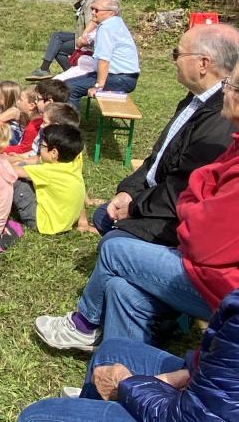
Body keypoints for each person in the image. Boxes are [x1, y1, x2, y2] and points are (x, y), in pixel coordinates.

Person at [33, 62, 239, 349]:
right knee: (122, 286)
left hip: (220, 285)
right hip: (201, 261)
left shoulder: (221, 136)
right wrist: (130, 193)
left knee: (114, 249)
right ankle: (119, 365)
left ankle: (85, 324)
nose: (224, 90)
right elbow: (165, 167)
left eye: (231, 86)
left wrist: (177, 206)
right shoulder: (226, 136)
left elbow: (196, 230)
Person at [17, 288, 239, 422]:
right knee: (112, 352)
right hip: (205, 415)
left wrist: (127, 385)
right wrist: (183, 376)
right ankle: (88, 419)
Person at [93, 22, 239, 245]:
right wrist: (129, 191)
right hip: (156, 198)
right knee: (103, 216)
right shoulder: (194, 100)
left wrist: (134, 207)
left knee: (113, 244)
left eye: (177, 53)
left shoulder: (221, 119)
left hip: (175, 216)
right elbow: (158, 158)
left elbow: (182, 189)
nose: (174, 60)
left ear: (203, 64)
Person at [64, 0, 140, 108]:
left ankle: (69, 119)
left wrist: (98, 87)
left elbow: (104, 60)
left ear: (111, 13)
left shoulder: (107, 28)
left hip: (121, 79)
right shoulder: (114, 22)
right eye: (92, 9)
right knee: (66, 84)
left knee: (69, 89)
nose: (93, 12)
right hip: (120, 76)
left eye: (97, 10)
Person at [12, 124, 85, 234]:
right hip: (65, 222)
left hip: (44, 224)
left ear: (54, 153)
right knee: (25, 167)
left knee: (16, 177)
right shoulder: (73, 164)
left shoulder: (49, 171)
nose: (39, 149)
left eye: (42, 145)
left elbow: (13, 170)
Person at [26, 0, 101, 80]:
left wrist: (82, 39)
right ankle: (45, 69)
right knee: (57, 36)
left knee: (58, 49)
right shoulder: (87, 1)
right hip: (82, 35)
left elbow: (92, 23)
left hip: (89, 41)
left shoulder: (91, 3)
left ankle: (71, 74)